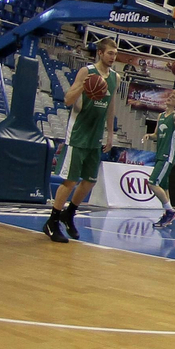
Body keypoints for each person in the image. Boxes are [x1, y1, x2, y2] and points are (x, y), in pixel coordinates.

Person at [44, 38, 120, 243]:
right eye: (110, 53)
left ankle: (69, 214)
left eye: (115, 53)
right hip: (78, 133)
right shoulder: (87, 72)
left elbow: (111, 105)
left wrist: (110, 133)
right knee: (70, 181)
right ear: (100, 53)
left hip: (96, 136)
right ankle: (52, 222)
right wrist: (83, 87)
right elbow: (68, 99)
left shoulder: (115, 77)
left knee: (89, 182)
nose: (114, 57)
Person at [144, 89, 175, 228]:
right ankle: (167, 215)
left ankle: (170, 211)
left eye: (173, 98)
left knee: (152, 183)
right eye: (171, 96)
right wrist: (150, 135)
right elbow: (156, 134)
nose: (170, 98)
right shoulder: (161, 116)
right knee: (164, 186)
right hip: (159, 155)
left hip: (167, 156)